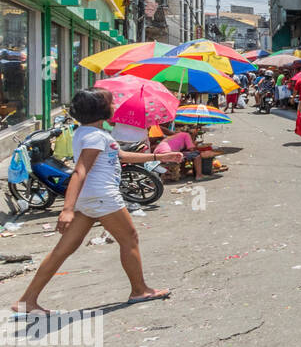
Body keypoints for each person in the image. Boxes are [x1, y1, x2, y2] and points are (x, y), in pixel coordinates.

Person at [10, 89, 182, 315]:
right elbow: (79, 171)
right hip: (102, 196)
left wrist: (159, 157)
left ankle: (27, 301)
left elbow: (119, 155)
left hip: (90, 199)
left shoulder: (89, 132)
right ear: (101, 110)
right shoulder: (94, 136)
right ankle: (139, 290)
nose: (115, 106)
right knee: (129, 238)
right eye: (112, 102)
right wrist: (67, 209)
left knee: (63, 250)